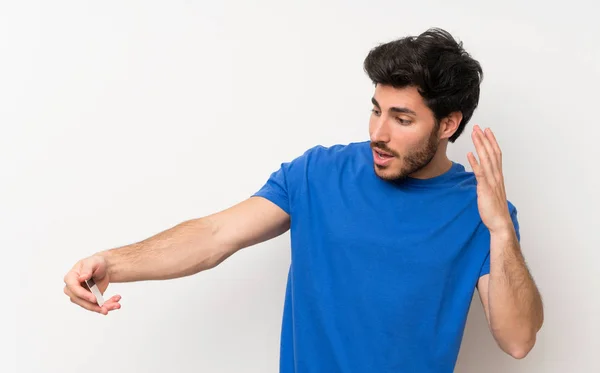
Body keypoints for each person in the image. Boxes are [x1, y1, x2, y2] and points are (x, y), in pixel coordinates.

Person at [63, 28, 544, 372]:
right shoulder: (319, 173)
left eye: (401, 119)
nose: (377, 133)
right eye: (375, 110)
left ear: (447, 125)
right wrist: (111, 262)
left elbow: (518, 340)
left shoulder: (478, 210)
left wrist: (501, 228)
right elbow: (214, 235)